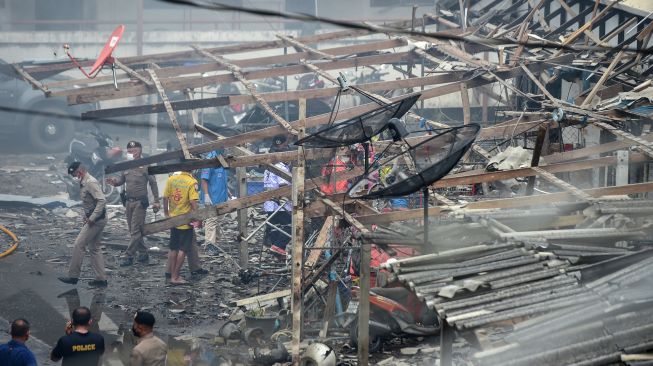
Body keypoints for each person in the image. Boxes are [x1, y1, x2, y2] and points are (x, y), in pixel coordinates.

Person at [107, 141, 161, 267]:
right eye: (129, 151)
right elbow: (122, 180)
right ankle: (143, 253)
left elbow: (153, 183)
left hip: (140, 202)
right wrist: (114, 182)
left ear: (140, 151)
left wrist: (157, 201)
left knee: (135, 230)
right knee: (133, 230)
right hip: (128, 202)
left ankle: (128, 256)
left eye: (134, 151)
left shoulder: (146, 165)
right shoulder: (126, 165)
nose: (132, 153)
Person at [58, 162, 108, 287]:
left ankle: (73, 276)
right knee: (94, 248)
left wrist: (92, 218)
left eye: (75, 174)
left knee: (78, 244)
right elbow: (90, 202)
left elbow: (101, 200)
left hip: (97, 220)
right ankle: (101, 279)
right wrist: (87, 216)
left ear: (79, 172)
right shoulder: (84, 181)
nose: (75, 177)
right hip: (96, 218)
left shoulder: (90, 182)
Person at [163, 169, 200, 284]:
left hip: (173, 219)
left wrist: (166, 213)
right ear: (192, 169)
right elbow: (193, 202)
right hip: (185, 221)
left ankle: (172, 275)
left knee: (174, 248)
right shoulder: (191, 181)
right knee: (183, 249)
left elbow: (165, 197)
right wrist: (198, 219)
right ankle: (175, 277)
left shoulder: (172, 179)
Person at [263, 135, 292, 257]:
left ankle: (275, 251)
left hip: (270, 204)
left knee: (275, 227)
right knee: (291, 225)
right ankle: (278, 246)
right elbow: (283, 187)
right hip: (280, 204)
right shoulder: (280, 167)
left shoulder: (269, 167)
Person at [200, 150, 229, 246]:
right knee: (211, 220)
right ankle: (209, 245)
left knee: (218, 220)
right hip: (212, 196)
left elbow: (222, 178)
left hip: (221, 196)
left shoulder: (222, 157)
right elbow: (204, 179)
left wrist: (227, 191)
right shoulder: (210, 158)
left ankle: (215, 241)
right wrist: (206, 195)